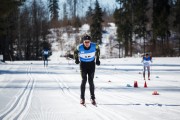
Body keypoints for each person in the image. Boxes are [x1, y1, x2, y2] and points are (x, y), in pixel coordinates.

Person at [74, 35, 100, 105]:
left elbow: (98, 50)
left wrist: (97, 59)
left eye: (88, 42)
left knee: (91, 81)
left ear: (90, 42)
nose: (87, 43)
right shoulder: (80, 47)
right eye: (85, 42)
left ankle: (92, 98)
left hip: (91, 65)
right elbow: (75, 52)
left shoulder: (94, 46)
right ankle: (82, 98)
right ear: (83, 42)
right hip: (83, 65)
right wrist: (76, 59)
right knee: (84, 80)